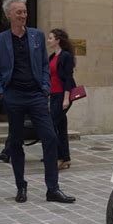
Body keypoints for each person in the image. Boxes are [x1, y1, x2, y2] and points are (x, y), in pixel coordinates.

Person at [0, 0, 75, 204]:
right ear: (9, 15)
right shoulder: (0, 40)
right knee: (16, 142)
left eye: (25, 11)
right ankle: (21, 186)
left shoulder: (37, 36)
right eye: (19, 12)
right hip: (14, 97)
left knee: (50, 137)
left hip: (36, 95)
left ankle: (52, 189)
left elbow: (45, 66)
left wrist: (45, 88)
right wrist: (2, 93)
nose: (23, 15)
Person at [47, 29, 76, 170]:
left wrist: (66, 99)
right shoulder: (52, 57)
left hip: (63, 95)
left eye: (51, 38)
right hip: (53, 95)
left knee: (51, 125)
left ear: (58, 40)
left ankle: (59, 156)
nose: (48, 40)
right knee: (60, 127)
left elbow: (68, 78)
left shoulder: (66, 56)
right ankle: (66, 158)